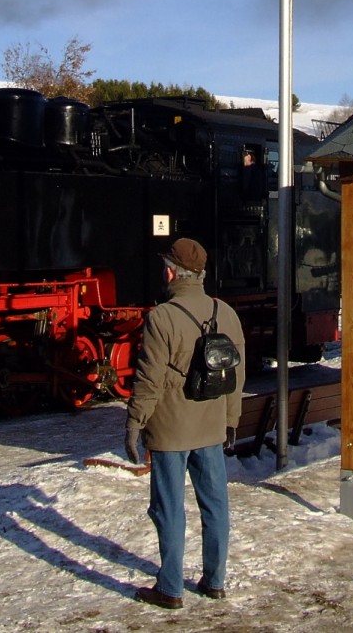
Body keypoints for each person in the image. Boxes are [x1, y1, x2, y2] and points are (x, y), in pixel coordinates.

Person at [124, 237, 245, 609]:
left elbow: (150, 380)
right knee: (215, 505)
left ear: (173, 272)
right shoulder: (226, 312)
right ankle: (215, 581)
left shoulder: (161, 317)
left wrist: (134, 424)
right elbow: (235, 377)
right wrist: (231, 419)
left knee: (169, 509)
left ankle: (171, 588)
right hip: (210, 426)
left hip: (170, 430)